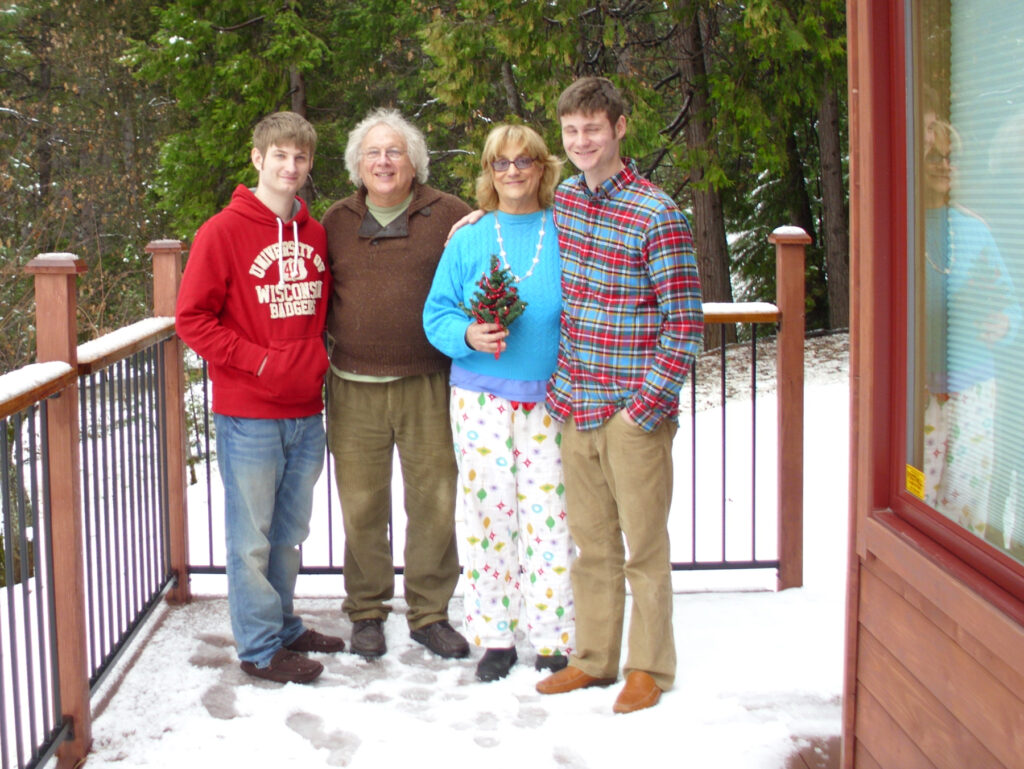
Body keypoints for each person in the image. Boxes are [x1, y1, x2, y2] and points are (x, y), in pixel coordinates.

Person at [535, 77, 704, 714]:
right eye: (572, 130)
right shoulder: (567, 202)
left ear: (620, 128)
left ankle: (648, 667)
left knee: (644, 547)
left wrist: (645, 408)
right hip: (575, 403)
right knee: (593, 545)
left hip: (633, 410)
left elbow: (685, 322)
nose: (582, 141)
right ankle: (595, 659)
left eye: (593, 128)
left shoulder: (658, 213)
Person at [176, 111, 344, 685]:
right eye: (280, 156)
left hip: (306, 411)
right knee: (251, 539)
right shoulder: (220, 232)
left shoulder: (315, 233)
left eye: (300, 158)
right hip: (248, 414)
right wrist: (260, 360)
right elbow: (191, 319)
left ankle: (285, 625)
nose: (290, 167)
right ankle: (258, 648)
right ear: (258, 159)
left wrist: (306, 365)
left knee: (289, 535)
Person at [423, 124, 575, 682]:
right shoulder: (468, 239)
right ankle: (495, 637)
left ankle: (553, 634)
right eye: (500, 163)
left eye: (524, 161)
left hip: (550, 400)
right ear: (488, 172)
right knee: (491, 520)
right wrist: (467, 336)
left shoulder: (567, 230)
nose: (512, 172)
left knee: (549, 519)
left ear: (543, 167)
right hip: (480, 400)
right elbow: (436, 313)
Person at [322, 108, 472, 661]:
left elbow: (483, 261)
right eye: (373, 153)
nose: (384, 161)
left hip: (429, 382)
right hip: (352, 384)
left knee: (433, 502)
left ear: (414, 163)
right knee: (361, 505)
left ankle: (430, 613)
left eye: (395, 152)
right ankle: (366, 611)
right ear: (357, 165)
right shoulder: (334, 221)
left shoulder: (452, 215)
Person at [919, 110, 1019, 540]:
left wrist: (1005, 321)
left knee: (965, 504)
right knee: (919, 496)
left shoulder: (975, 229)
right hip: (920, 393)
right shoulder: (906, 228)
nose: (944, 166)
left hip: (975, 389)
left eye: (951, 156)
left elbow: (1013, 305)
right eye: (934, 157)